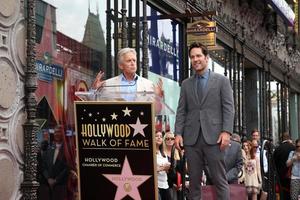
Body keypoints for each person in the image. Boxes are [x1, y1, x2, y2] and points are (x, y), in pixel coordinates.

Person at [174, 42, 234, 200]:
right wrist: (178, 134)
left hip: (215, 138)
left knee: (219, 180)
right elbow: (181, 111)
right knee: (193, 183)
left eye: (198, 55)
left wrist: (226, 132)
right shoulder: (186, 84)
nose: (195, 59)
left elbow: (229, 108)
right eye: (192, 57)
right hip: (192, 139)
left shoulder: (222, 81)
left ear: (206, 58)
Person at [91, 48, 163, 100]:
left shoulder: (148, 85)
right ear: (120, 65)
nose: (133, 63)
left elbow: (156, 110)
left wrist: (158, 97)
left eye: (134, 60)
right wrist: (94, 90)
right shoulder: (108, 84)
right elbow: (94, 103)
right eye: (129, 61)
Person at [41, 126, 70, 200]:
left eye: (59, 132)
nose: (57, 134)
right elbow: (43, 165)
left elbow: (67, 168)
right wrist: (48, 179)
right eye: (55, 132)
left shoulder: (68, 149)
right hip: (47, 186)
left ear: (63, 134)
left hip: (61, 186)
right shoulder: (49, 148)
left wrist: (56, 180)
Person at [273, 132, 295, 200]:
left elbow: (274, 163)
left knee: (283, 194)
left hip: (281, 176)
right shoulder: (294, 147)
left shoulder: (278, 149)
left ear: (281, 138)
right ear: (289, 138)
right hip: (292, 174)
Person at [156, 131, 171, 200]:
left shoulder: (164, 153)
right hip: (156, 185)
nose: (159, 138)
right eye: (157, 136)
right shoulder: (151, 153)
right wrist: (162, 168)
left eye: (161, 137)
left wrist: (167, 168)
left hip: (165, 184)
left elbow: (167, 171)